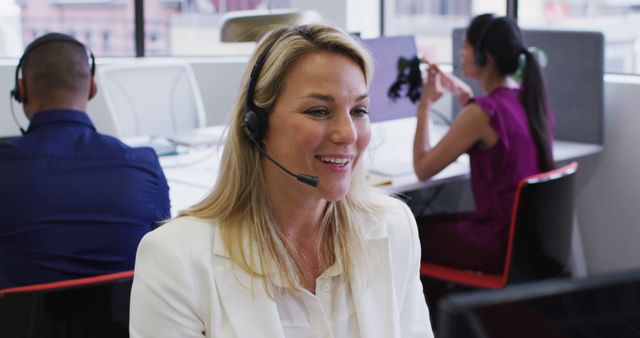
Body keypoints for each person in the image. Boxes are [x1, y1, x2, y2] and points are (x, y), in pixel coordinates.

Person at [130, 24, 433, 338]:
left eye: (359, 110)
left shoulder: (393, 227)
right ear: (255, 125)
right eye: (319, 111)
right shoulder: (176, 258)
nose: (348, 134)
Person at [0, 33, 170, 289]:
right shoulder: (143, 166)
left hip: (21, 327)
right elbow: (163, 252)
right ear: (92, 88)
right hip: (125, 326)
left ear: (21, 90)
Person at [413, 14, 555, 273]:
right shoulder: (527, 100)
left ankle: (436, 310)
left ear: (485, 57)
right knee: (418, 224)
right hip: (523, 239)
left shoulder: (481, 114)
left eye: (466, 47)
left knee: (405, 235)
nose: (461, 53)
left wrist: (425, 106)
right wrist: (465, 97)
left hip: (494, 243)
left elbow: (422, 168)